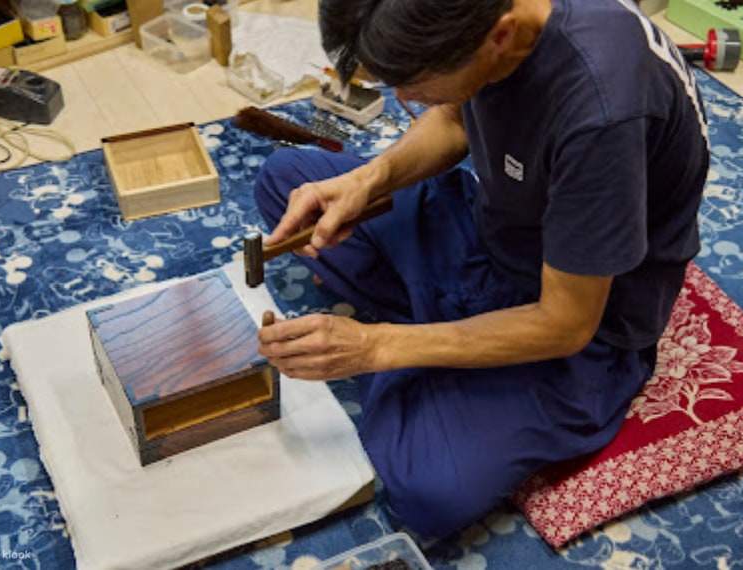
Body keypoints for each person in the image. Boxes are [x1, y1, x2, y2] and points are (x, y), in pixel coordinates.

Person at [255, 0, 709, 539]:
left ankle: (431, 345)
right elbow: (452, 117)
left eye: (417, 84)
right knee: (287, 181)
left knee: (428, 490)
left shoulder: (602, 113)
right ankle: (443, 347)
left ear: (499, 36)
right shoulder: (485, 27)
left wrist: (375, 348)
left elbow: (565, 324)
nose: (403, 101)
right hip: (492, 231)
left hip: (575, 319)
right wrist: (370, 181)